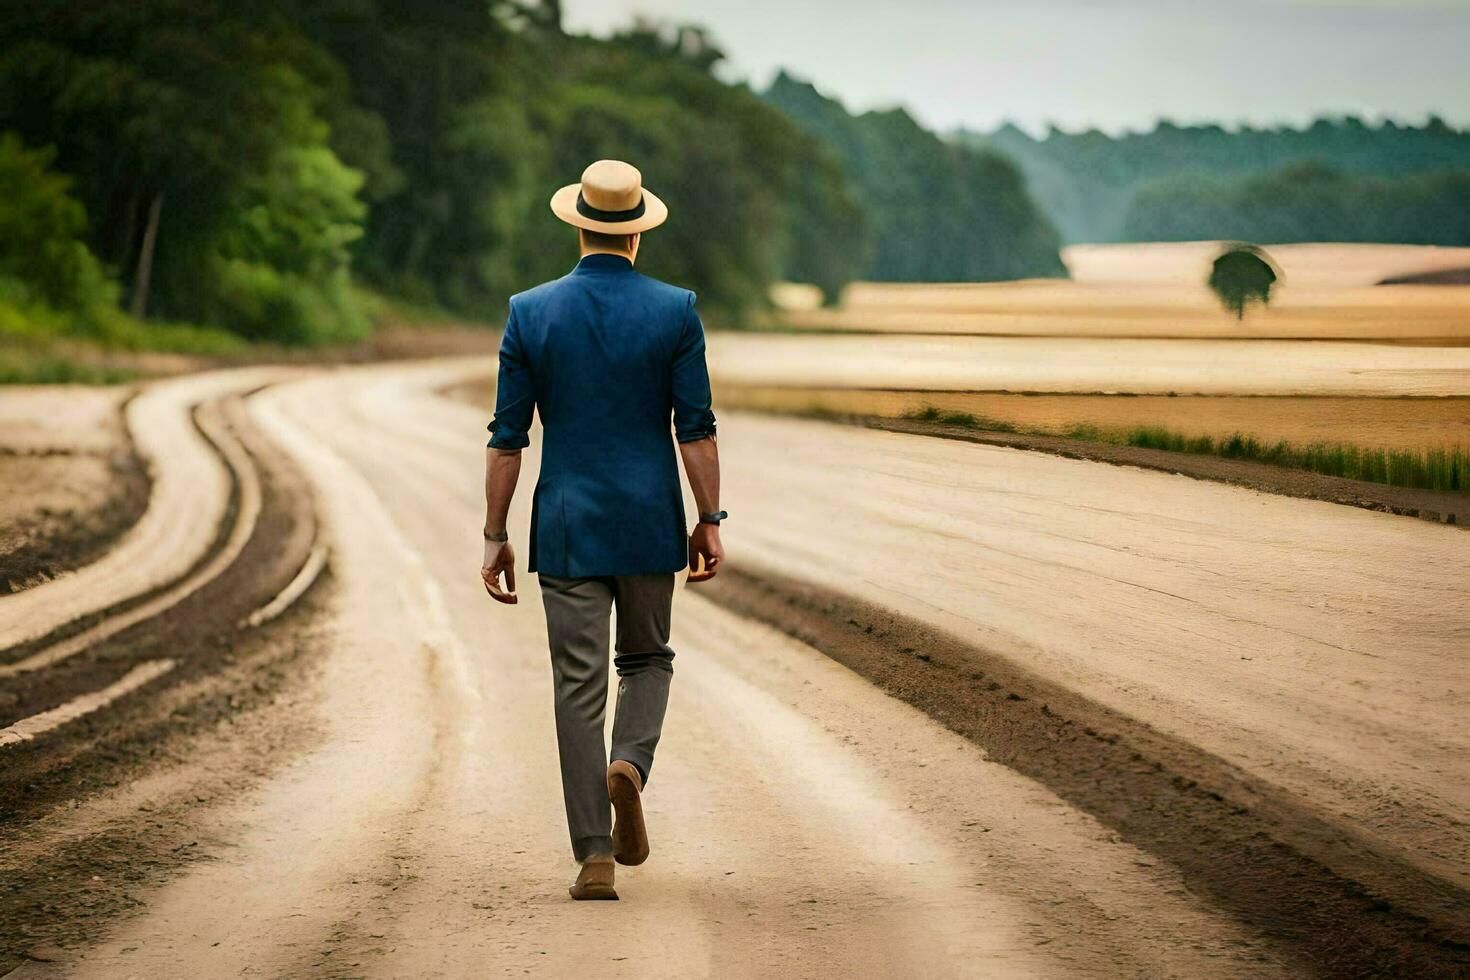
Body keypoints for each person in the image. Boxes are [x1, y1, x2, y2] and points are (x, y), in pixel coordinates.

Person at [480, 160, 726, 901]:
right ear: (637, 234)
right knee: (647, 660)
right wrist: (709, 519)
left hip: (565, 527)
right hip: (650, 518)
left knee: (576, 685)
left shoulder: (529, 312)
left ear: (579, 223)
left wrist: (495, 532)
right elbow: (697, 431)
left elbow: (506, 438)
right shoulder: (676, 311)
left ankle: (593, 855)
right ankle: (631, 763)